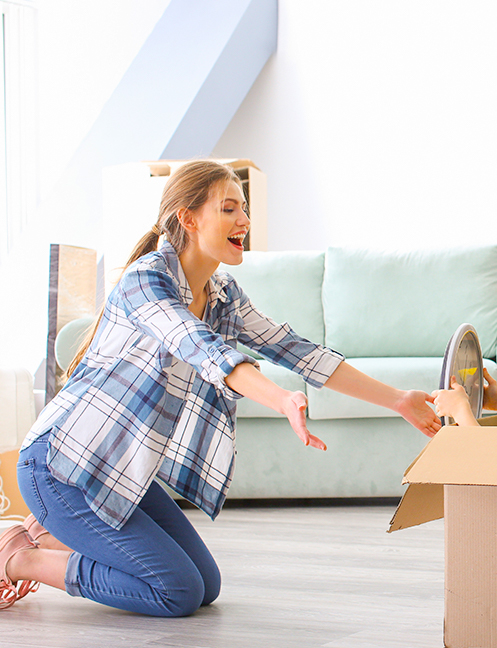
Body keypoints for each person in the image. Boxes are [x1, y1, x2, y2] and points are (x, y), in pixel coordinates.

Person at [2, 160, 442, 617]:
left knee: (205, 586)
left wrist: (398, 399)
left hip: (118, 470)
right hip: (60, 468)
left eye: (244, 209)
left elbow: (296, 350)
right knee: (176, 592)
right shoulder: (145, 280)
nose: (245, 221)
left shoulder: (223, 294)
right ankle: (20, 558)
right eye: (230, 209)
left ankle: (49, 534)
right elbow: (201, 347)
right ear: (189, 219)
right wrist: (281, 398)